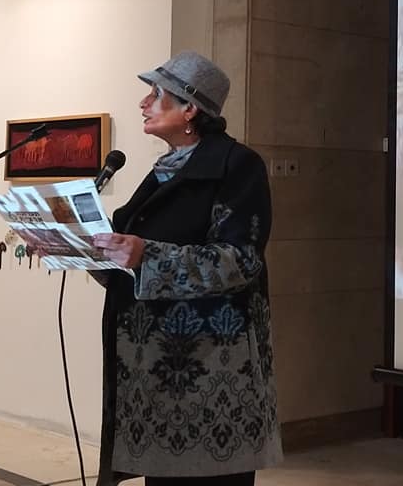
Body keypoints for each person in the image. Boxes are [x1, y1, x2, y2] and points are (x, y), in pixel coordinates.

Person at [91, 51, 282, 486]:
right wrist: (88, 250)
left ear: (190, 108)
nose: (143, 103)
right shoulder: (164, 170)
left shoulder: (237, 165)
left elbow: (240, 260)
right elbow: (132, 263)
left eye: (156, 93)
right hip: (154, 371)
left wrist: (145, 255)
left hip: (212, 373)